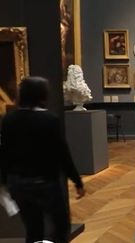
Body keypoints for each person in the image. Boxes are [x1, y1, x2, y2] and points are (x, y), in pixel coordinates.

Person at [0, 76, 85, 243]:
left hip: (19, 184)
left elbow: (4, 153)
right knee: (61, 227)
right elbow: (63, 154)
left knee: (33, 229)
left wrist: (4, 182)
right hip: (45, 183)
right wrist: (77, 181)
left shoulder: (9, 120)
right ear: (41, 96)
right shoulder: (49, 120)